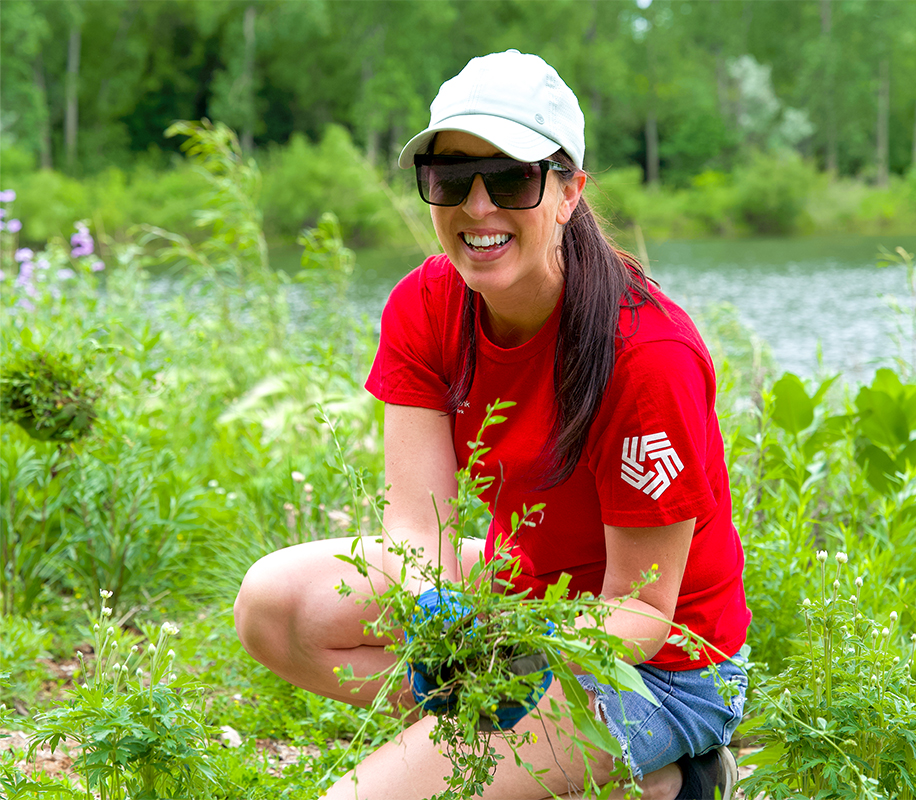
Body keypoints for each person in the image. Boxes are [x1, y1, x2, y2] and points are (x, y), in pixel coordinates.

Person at [234, 50, 751, 800]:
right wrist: (446, 630)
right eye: (449, 178)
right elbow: (419, 524)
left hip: (664, 669)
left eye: (510, 178)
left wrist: (510, 650)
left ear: (569, 191)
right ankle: (539, 762)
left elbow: (639, 611)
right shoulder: (426, 304)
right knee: (275, 606)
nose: (478, 207)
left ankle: (668, 771)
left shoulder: (648, 357)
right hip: (526, 594)